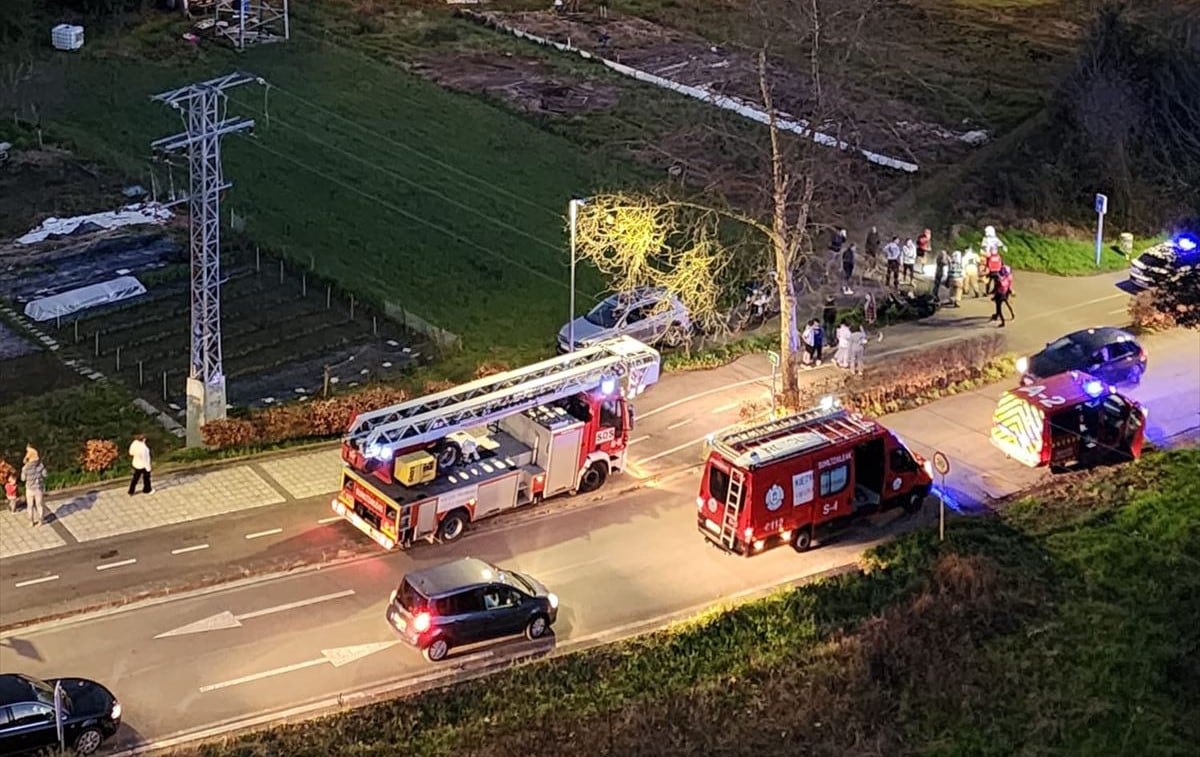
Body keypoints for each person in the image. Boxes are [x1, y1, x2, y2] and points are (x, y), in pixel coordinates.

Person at [21, 446, 46, 527]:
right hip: (38, 488)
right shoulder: (40, 466)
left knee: (30, 506)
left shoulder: (25, 468)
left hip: (29, 489)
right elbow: (45, 475)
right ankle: (41, 521)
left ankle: (31, 522)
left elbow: (23, 479)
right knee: (39, 505)